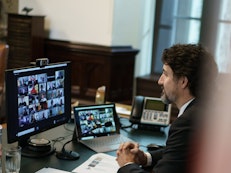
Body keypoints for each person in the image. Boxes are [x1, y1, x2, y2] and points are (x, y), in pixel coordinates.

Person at [116, 43, 218, 173]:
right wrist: (146, 158)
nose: (160, 80)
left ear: (183, 81)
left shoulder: (187, 122)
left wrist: (127, 164)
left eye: (165, 74)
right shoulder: (206, 108)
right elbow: (178, 152)